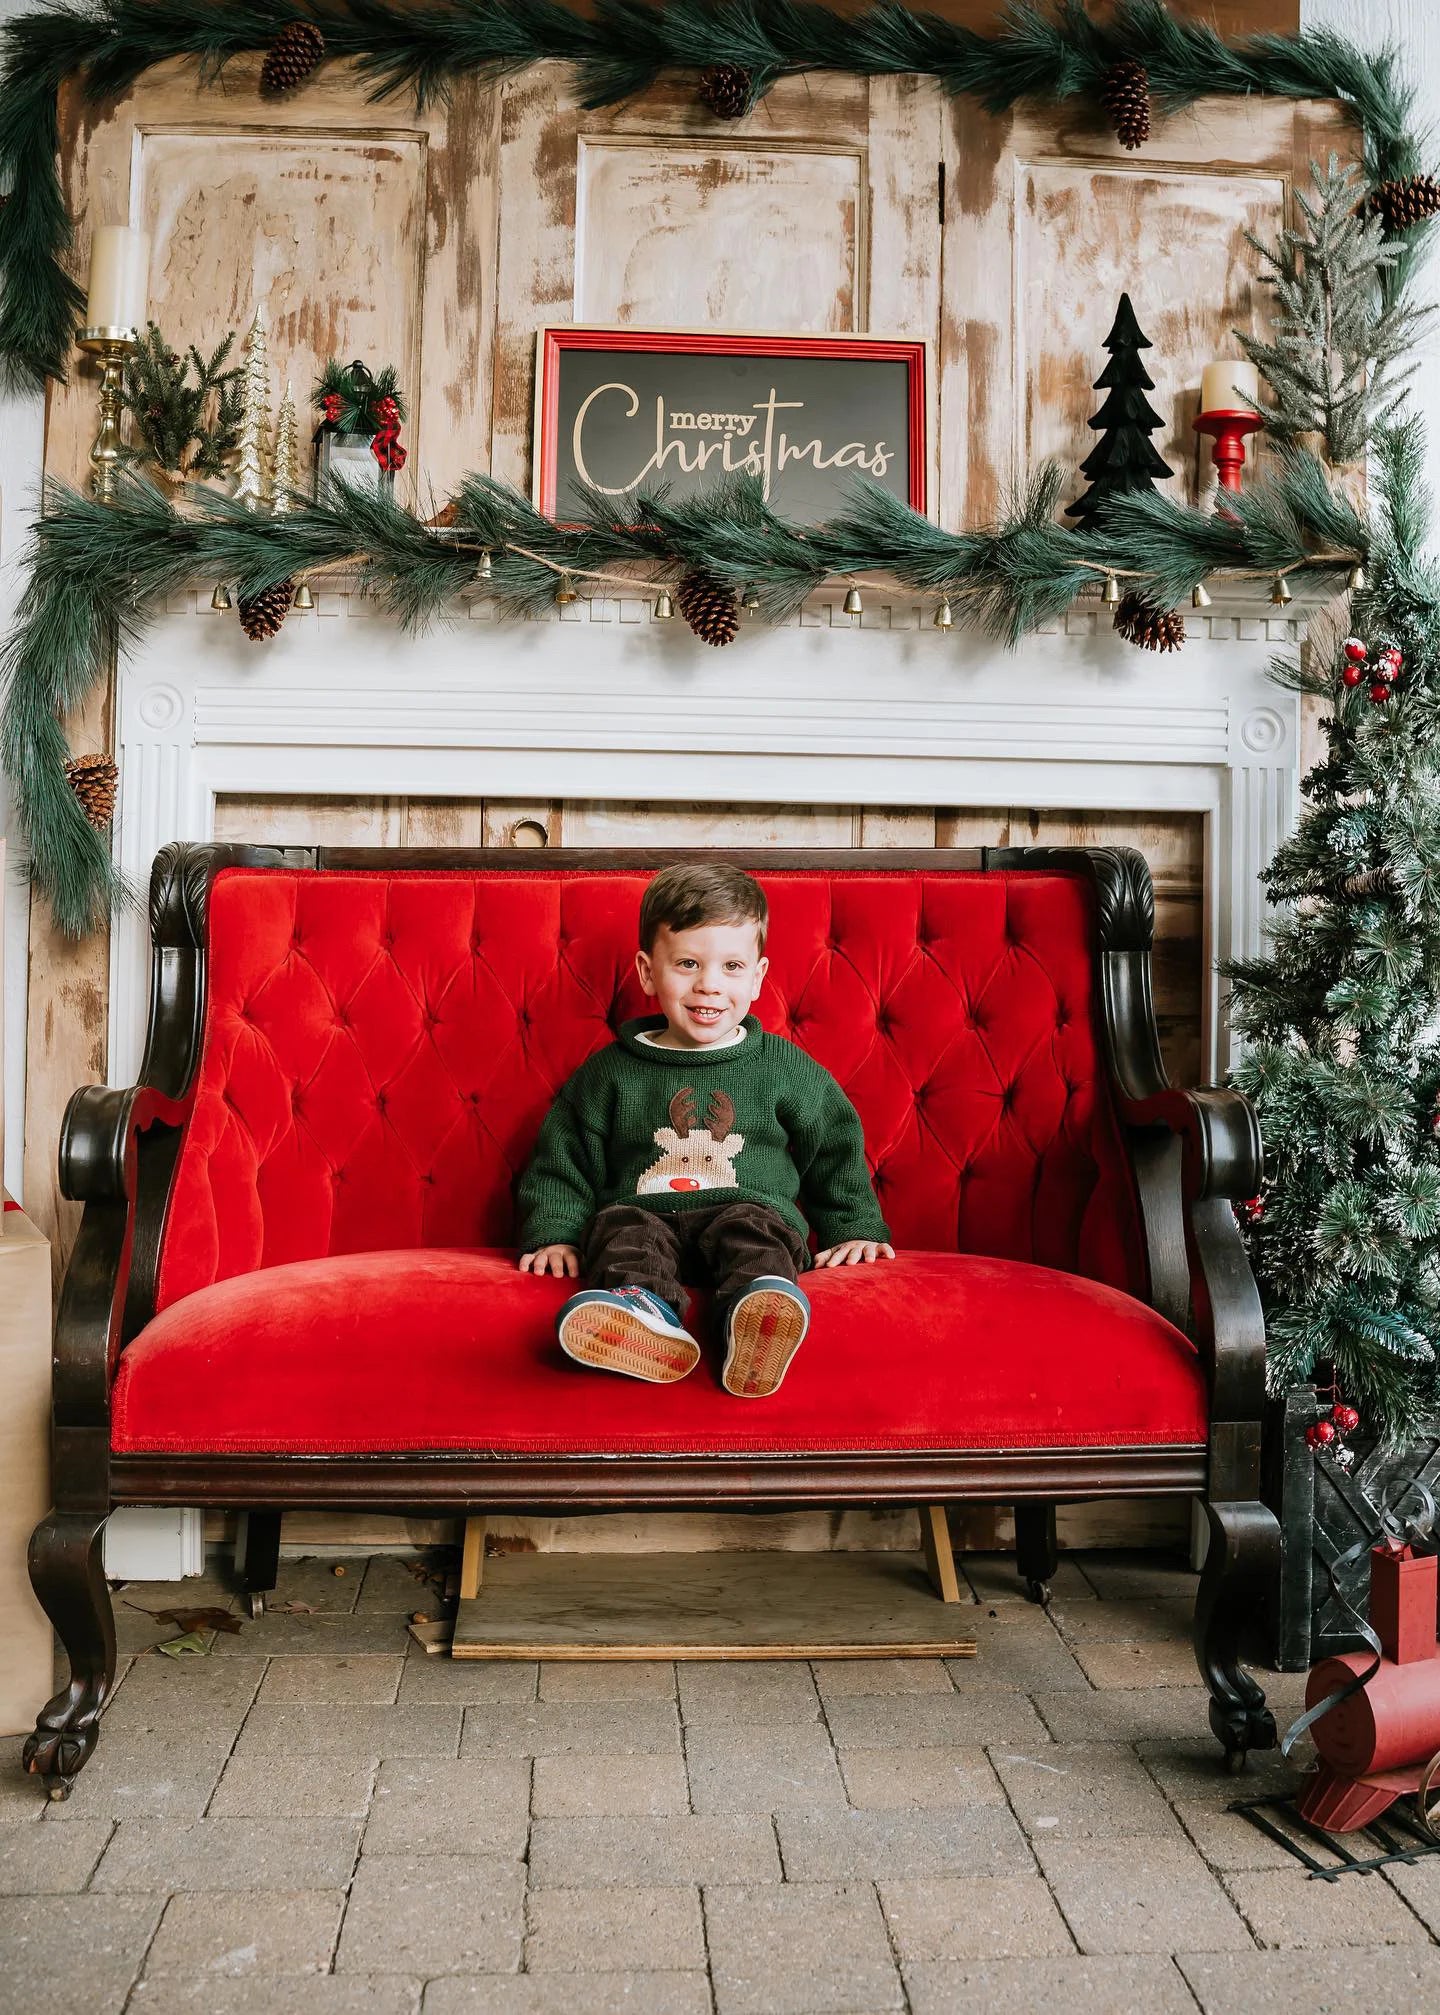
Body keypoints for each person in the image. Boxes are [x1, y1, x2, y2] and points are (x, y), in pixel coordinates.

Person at [516, 862, 894, 1397]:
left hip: (748, 1210)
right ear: (648, 972)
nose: (709, 985)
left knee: (757, 1235)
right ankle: (643, 1315)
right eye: (688, 963)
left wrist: (855, 1226)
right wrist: (553, 1232)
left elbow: (834, 1145)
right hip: (647, 1210)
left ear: (759, 977)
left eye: (731, 966)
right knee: (624, 1232)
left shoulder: (783, 1068)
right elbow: (564, 1155)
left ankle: (756, 1313)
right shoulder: (608, 1073)